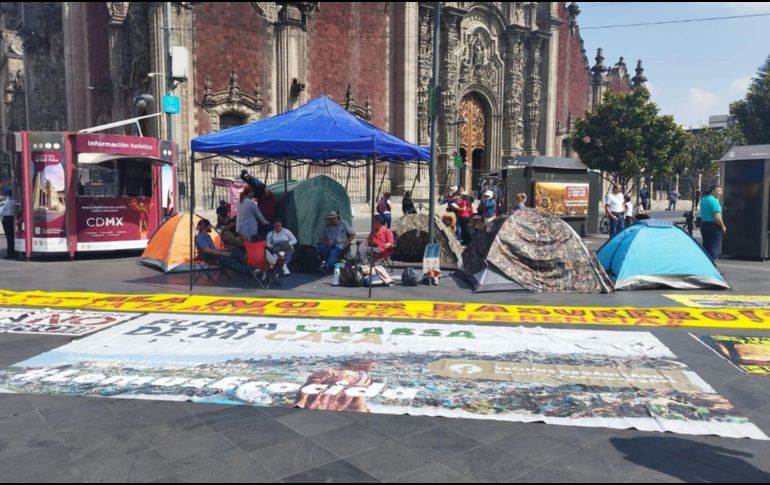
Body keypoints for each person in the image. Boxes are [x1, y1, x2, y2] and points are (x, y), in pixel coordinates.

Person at [294, 359, 376, 412]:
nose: (371, 367)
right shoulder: (331, 371)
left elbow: (367, 385)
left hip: (347, 399)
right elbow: (311, 384)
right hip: (325, 397)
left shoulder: (363, 376)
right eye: (367, 365)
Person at [700, 185, 726, 261]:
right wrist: (723, 226)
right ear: (712, 191)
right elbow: (717, 216)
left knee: (706, 246)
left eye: (720, 191)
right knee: (714, 246)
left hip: (704, 225)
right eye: (718, 190)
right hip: (713, 226)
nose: (720, 193)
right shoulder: (714, 201)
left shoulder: (704, 199)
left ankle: (706, 264)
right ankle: (713, 264)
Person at [1, 188, 16, 259]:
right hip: (14, 219)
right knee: (14, 236)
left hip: (7, 220)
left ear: (5, 195)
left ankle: (10, 253)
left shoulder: (4, 202)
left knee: (9, 237)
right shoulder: (15, 201)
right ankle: (16, 251)